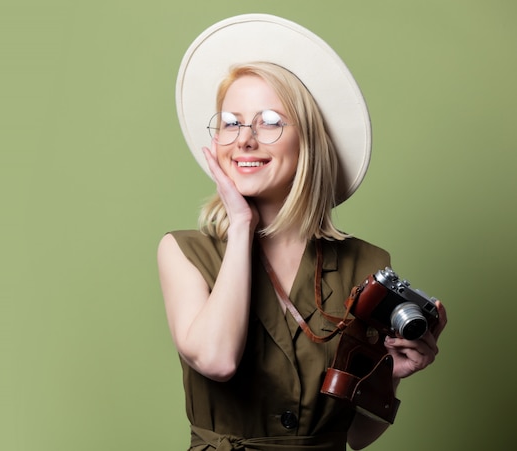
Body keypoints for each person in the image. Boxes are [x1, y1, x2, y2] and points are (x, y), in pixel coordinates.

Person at [158, 14, 447, 451]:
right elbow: (216, 359)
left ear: (307, 140)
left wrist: (391, 377)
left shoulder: (367, 266)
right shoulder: (185, 252)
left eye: (270, 120)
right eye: (230, 122)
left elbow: (354, 436)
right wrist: (240, 225)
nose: (245, 139)